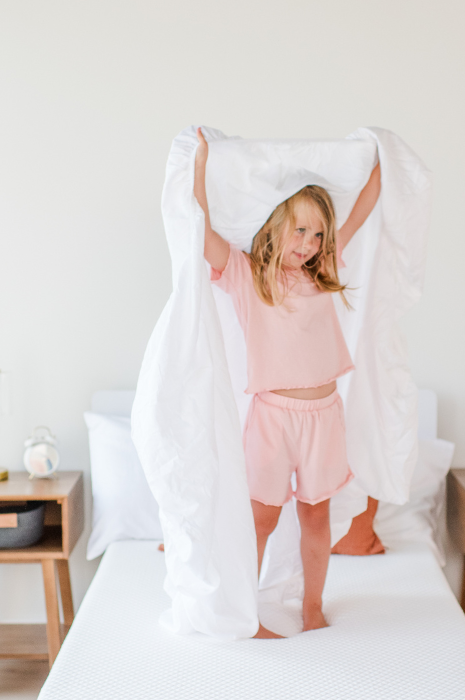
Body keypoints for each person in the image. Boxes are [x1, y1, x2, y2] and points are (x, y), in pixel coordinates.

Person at [193, 128, 382, 638]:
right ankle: (245, 616)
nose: (310, 244)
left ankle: (312, 607)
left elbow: (366, 204)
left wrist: (384, 158)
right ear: (277, 227)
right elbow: (200, 228)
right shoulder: (247, 275)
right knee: (261, 520)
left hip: (324, 417)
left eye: (319, 235)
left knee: (315, 518)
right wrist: (200, 164)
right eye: (301, 231)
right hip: (273, 418)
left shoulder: (323, 274)